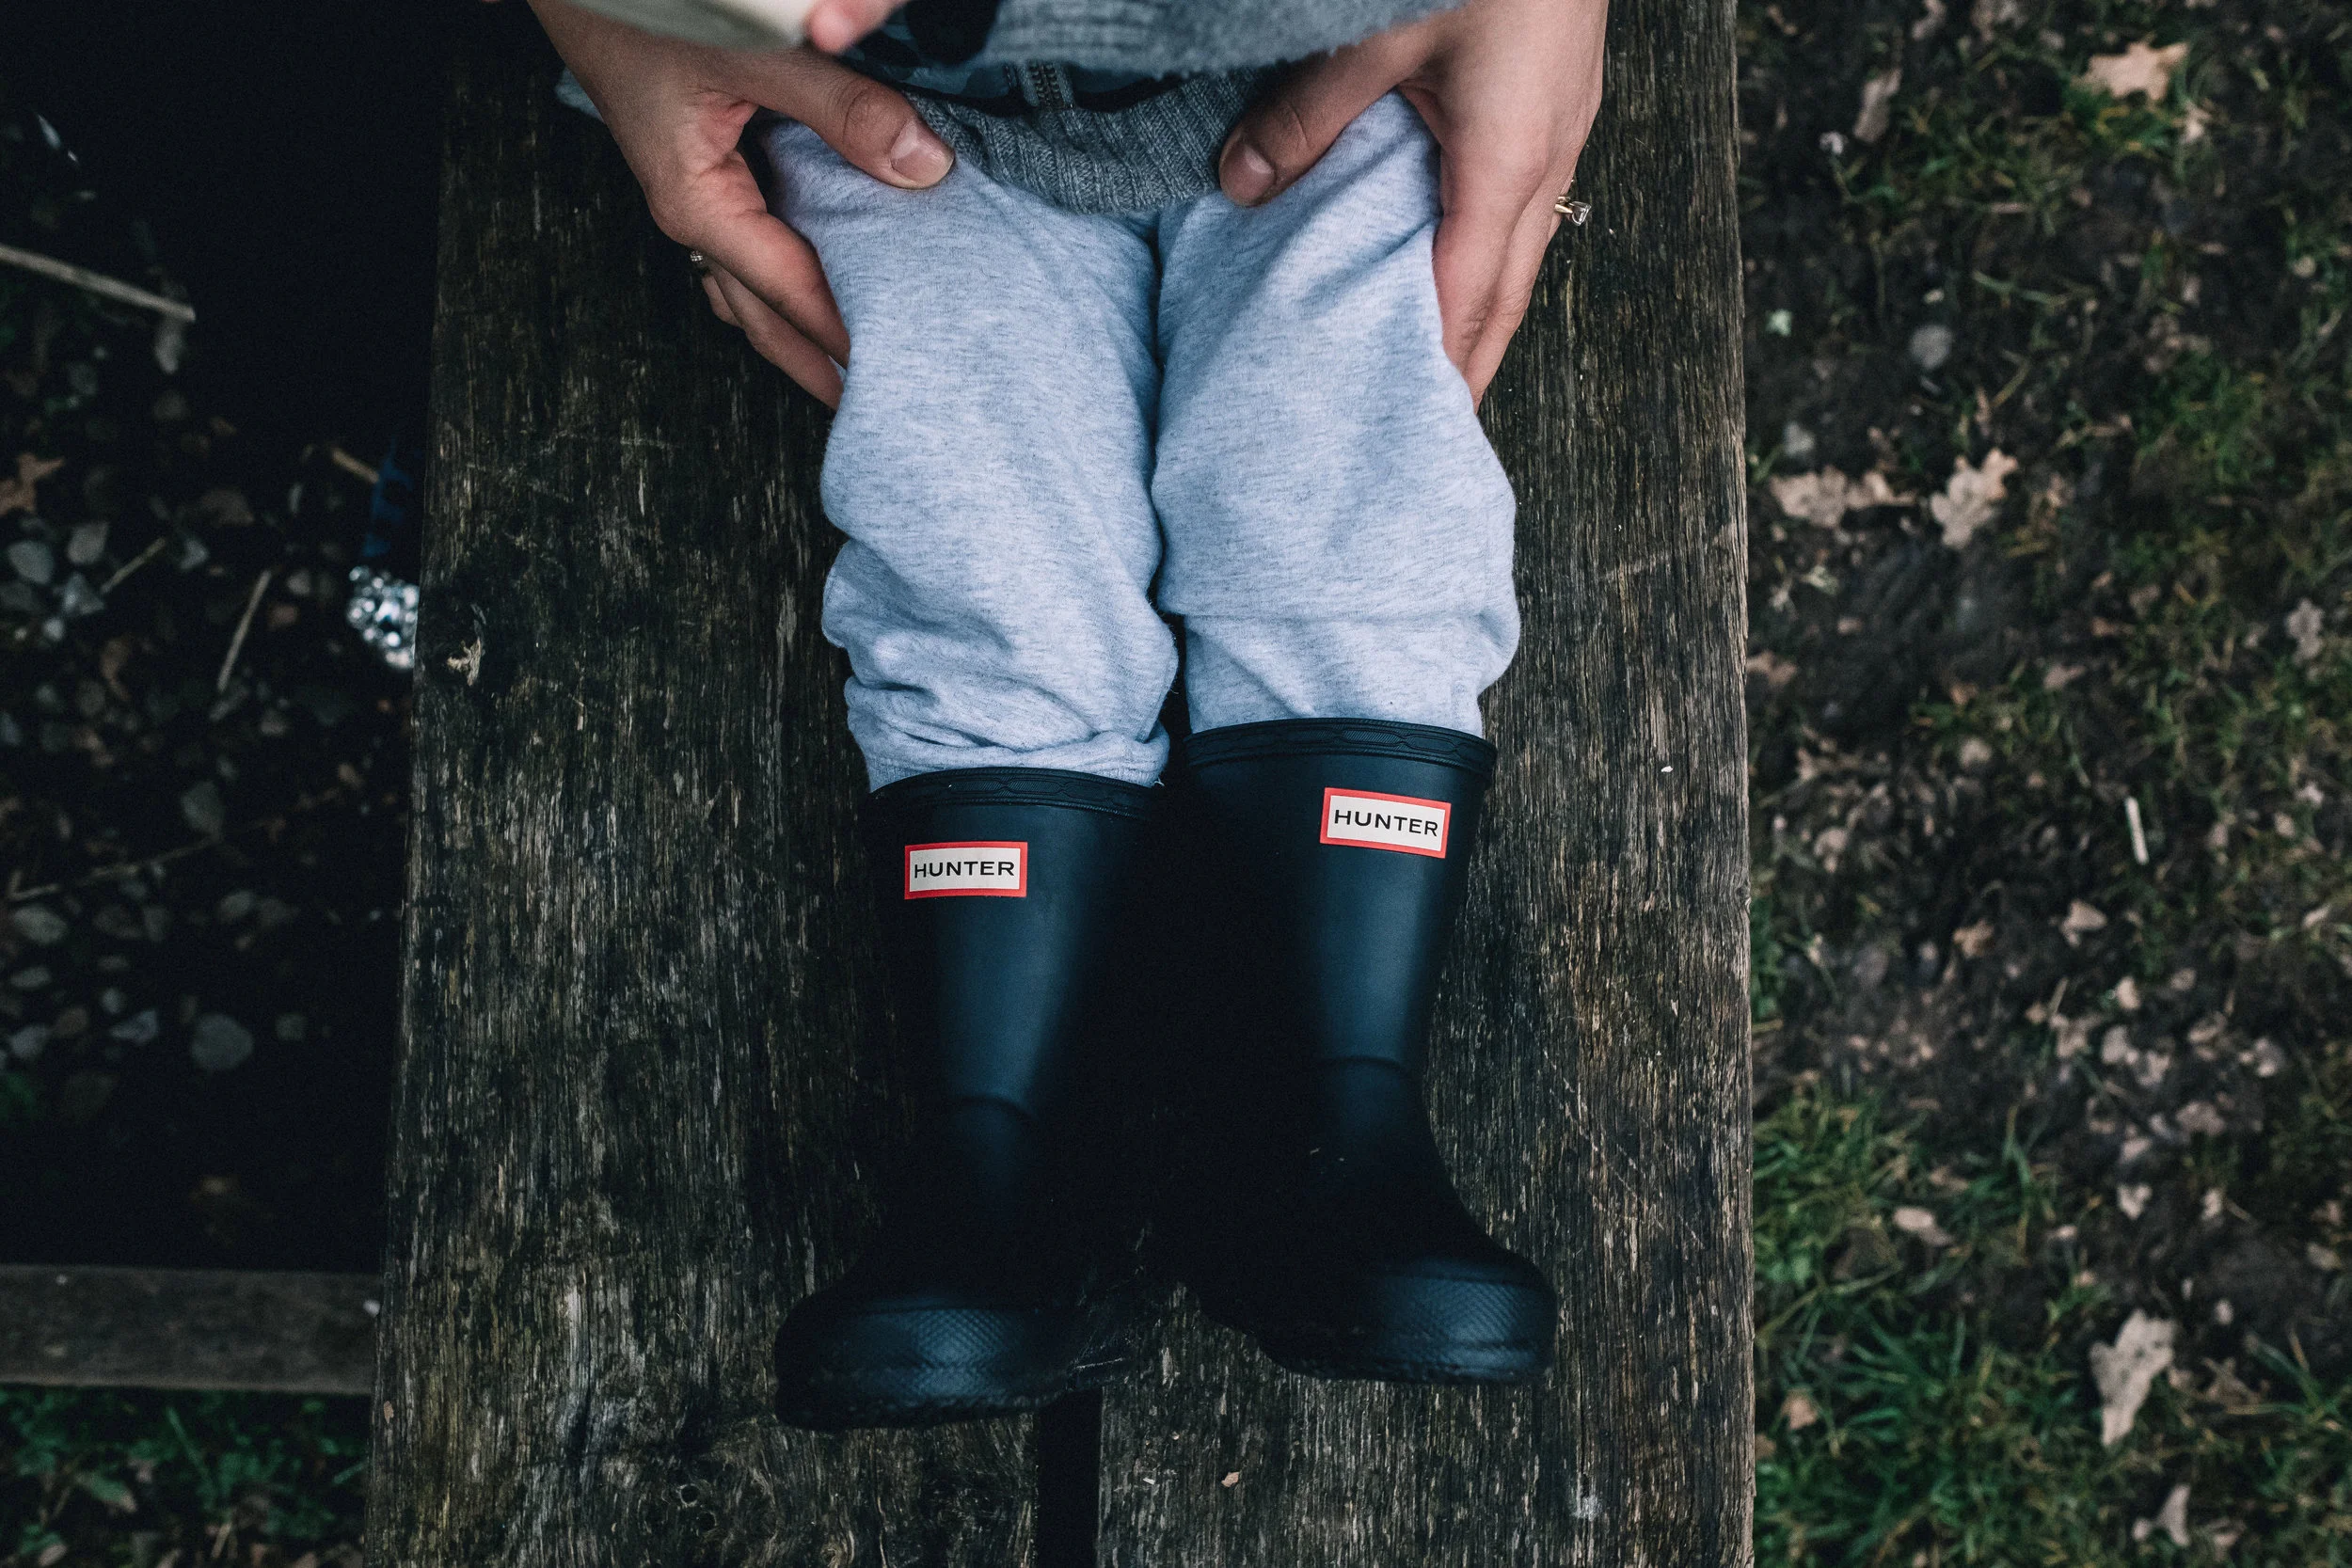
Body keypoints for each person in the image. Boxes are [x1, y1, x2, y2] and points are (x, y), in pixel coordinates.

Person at [531, 0, 1606, 1431]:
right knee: (987, 568)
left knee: (1354, 532)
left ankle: (1347, 1121)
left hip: (1341, 63)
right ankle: (994, 1154)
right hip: (900, 107)